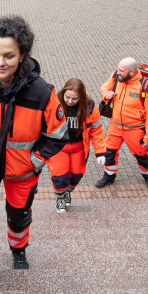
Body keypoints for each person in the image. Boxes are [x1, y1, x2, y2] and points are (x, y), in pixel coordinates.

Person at [0, 15, 67, 283]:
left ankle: (18, 249)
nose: (0, 62)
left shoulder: (42, 93)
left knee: (19, 217)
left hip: (22, 171)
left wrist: (33, 161)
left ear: (22, 55)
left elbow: (58, 133)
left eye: (8, 55)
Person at [95, 57, 148, 192]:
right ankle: (109, 175)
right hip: (115, 126)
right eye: (118, 69)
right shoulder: (115, 77)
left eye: (121, 71)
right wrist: (105, 94)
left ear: (132, 72)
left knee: (141, 155)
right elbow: (104, 87)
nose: (117, 73)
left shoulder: (146, 88)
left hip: (135, 130)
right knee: (109, 153)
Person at [49, 78, 106, 213]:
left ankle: (68, 191)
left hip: (79, 148)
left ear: (81, 97)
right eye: (67, 97)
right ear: (63, 93)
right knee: (60, 176)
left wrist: (100, 151)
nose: (70, 101)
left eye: (74, 99)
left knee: (76, 176)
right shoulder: (55, 103)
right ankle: (60, 198)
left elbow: (96, 130)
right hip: (59, 148)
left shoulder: (90, 107)